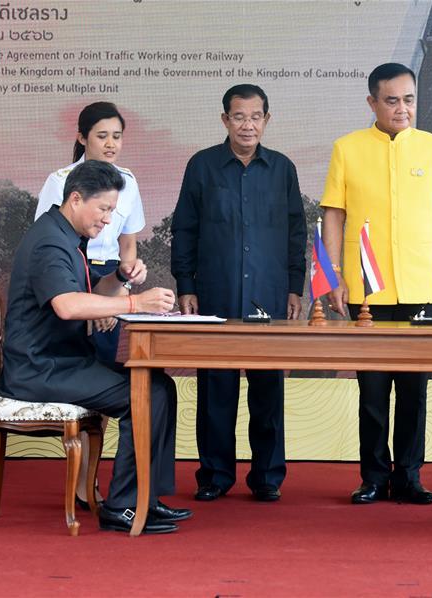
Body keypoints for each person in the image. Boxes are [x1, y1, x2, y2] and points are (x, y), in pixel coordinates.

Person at [0, 160, 189, 534]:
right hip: (41, 370)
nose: (107, 220)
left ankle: (144, 497)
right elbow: (68, 305)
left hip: (59, 363)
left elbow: (86, 292)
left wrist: (119, 276)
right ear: (75, 198)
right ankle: (123, 507)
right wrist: (135, 303)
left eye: (112, 212)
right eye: (103, 210)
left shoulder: (64, 236)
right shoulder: (50, 242)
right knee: (148, 390)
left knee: (159, 386)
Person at [321, 63, 432, 505]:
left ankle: (410, 476)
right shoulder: (347, 148)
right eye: (392, 100)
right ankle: (374, 477)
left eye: (410, 99)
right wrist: (334, 277)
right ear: (372, 103)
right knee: (373, 389)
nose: (403, 109)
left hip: (421, 287)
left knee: (415, 389)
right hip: (369, 292)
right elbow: (334, 216)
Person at [171, 84, 306, 503]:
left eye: (256, 117)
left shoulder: (283, 169)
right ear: (225, 119)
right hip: (216, 293)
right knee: (217, 389)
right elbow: (184, 230)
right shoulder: (202, 166)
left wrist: (294, 288)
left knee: (268, 390)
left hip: (269, 294)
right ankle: (214, 476)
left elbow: (296, 233)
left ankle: (267, 477)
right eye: (239, 116)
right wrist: (186, 285)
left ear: (267, 120)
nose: (247, 125)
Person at [35, 102, 146, 509]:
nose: (111, 144)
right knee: (97, 382)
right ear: (82, 137)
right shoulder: (60, 180)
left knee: (125, 377)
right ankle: (89, 485)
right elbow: (54, 243)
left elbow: (128, 244)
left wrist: (123, 283)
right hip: (74, 281)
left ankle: (131, 487)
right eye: (102, 136)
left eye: (117, 136)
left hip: (110, 284)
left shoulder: (128, 181)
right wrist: (97, 303)